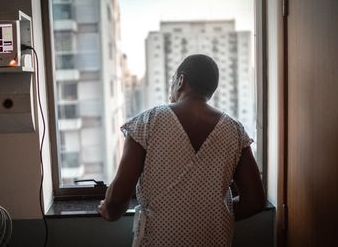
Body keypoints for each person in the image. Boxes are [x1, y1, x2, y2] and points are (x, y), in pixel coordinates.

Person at [98, 54, 266, 246]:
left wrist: (108, 210)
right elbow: (255, 200)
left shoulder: (147, 122)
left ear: (180, 81)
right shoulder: (234, 131)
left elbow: (119, 198)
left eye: (172, 82)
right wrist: (214, 215)